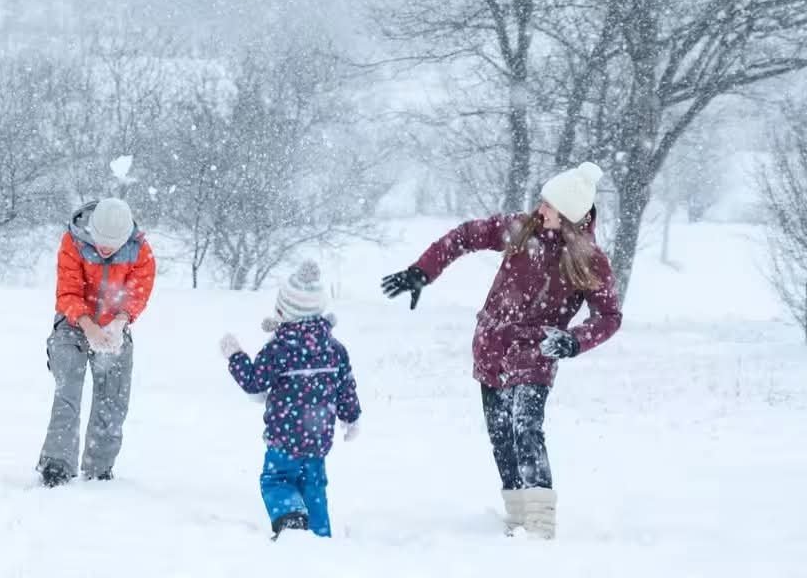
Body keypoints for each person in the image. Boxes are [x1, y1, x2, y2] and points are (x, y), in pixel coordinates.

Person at [379, 162, 622, 539]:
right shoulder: (521, 229)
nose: (540, 208)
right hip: (493, 345)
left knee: (526, 429)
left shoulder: (589, 259)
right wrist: (423, 271)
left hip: (537, 351)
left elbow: (609, 316)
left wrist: (574, 340)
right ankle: (518, 520)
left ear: (569, 215)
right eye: (542, 200)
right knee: (502, 436)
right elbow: (464, 236)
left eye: (549, 205)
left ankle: (540, 526)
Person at [220, 260, 361, 540]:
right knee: (314, 487)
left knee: (276, 481)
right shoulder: (335, 349)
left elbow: (254, 382)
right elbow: (346, 386)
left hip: (284, 439)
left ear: (286, 312)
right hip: (318, 439)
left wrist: (235, 356)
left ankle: (291, 517)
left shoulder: (279, 349)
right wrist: (351, 418)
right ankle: (320, 536)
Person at [36, 197, 156, 487]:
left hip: (115, 326)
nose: (105, 249)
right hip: (73, 323)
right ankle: (57, 464)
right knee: (68, 392)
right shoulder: (73, 242)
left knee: (113, 398)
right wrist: (88, 326)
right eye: (101, 242)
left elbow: (137, 293)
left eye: (112, 245)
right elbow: (68, 292)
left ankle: (99, 467)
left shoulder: (140, 250)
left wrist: (119, 322)